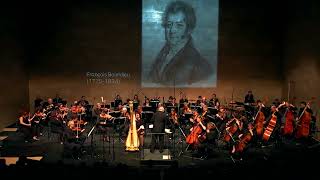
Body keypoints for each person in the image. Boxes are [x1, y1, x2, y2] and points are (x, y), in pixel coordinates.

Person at [148, 1, 212, 86]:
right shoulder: (163, 54)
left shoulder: (200, 65)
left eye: (179, 25)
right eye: (169, 24)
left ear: (189, 29)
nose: (172, 30)